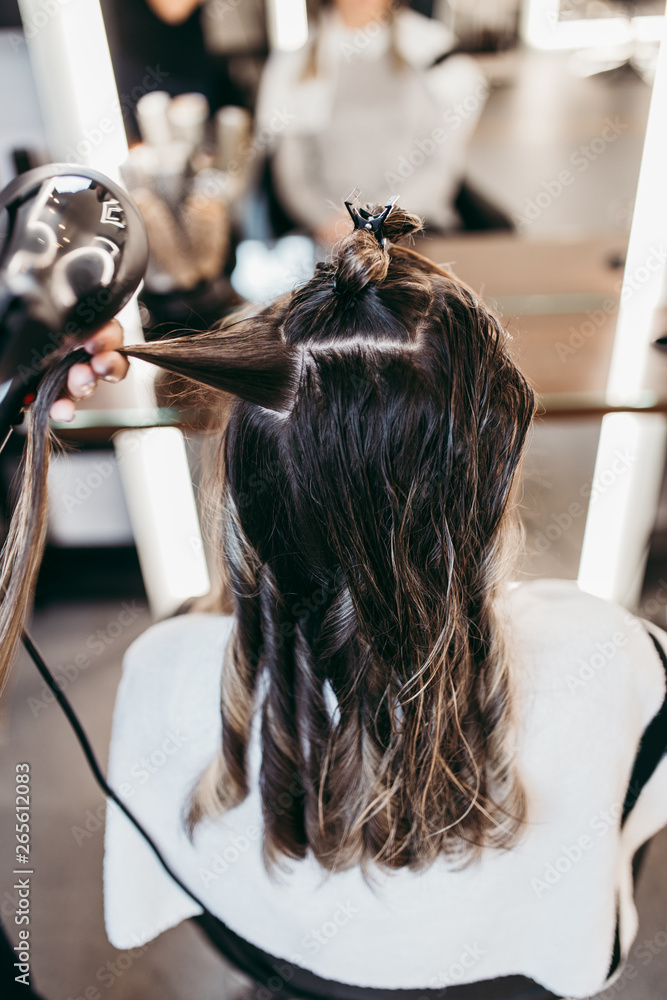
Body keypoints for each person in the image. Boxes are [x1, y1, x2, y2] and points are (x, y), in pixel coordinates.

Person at [2, 204, 666, 998]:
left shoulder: (164, 669)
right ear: (488, 476)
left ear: (248, 492)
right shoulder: (617, 657)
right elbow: (612, 858)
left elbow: (208, 914)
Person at [256, 0, 490, 243]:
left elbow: (439, 165)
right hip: (331, 237)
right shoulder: (292, 66)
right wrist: (332, 221)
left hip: (413, 230)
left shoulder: (432, 55)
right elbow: (294, 175)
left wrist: (379, 220)